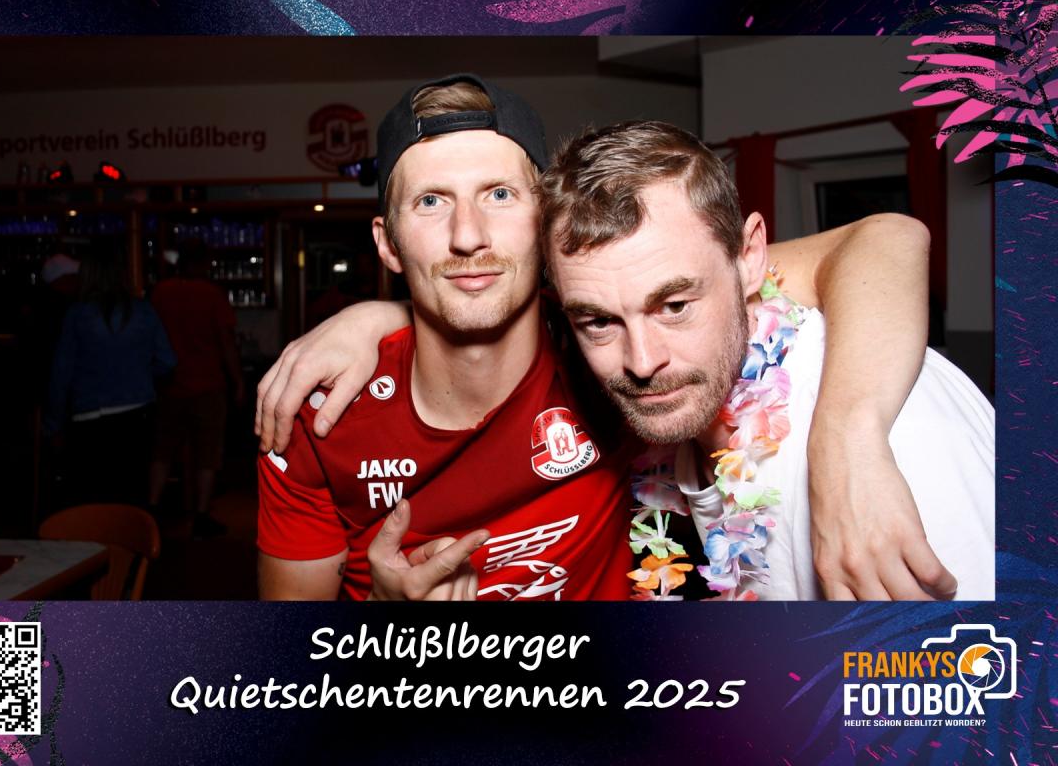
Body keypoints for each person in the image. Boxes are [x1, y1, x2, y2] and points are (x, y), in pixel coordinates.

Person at [255, 74, 947, 601]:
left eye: (500, 194)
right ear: (388, 243)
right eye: (431, 202)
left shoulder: (613, 343)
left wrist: (848, 440)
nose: (468, 235)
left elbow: (883, 239)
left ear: (546, 224)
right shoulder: (318, 410)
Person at [535, 120, 993, 600]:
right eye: (599, 322)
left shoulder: (900, 440)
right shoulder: (689, 430)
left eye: (675, 306)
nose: (643, 362)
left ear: (750, 257)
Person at [45, 245, 175, 509]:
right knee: (130, 497)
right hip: (136, 413)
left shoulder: (77, 314)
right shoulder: (143, 311)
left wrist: (53, 425)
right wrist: (137, 373)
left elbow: (61, 373)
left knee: (91, 499)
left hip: (89, 416)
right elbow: (167, 361)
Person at [149, 237, 245, 538]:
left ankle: (152, 509)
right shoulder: (212, 295)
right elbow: (226, 343)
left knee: (162, 450)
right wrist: (238, 381)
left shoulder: (161, 293)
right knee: (208, 452)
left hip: (169, 385)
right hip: (207, 384)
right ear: (203, 263)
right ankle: (201, 514)